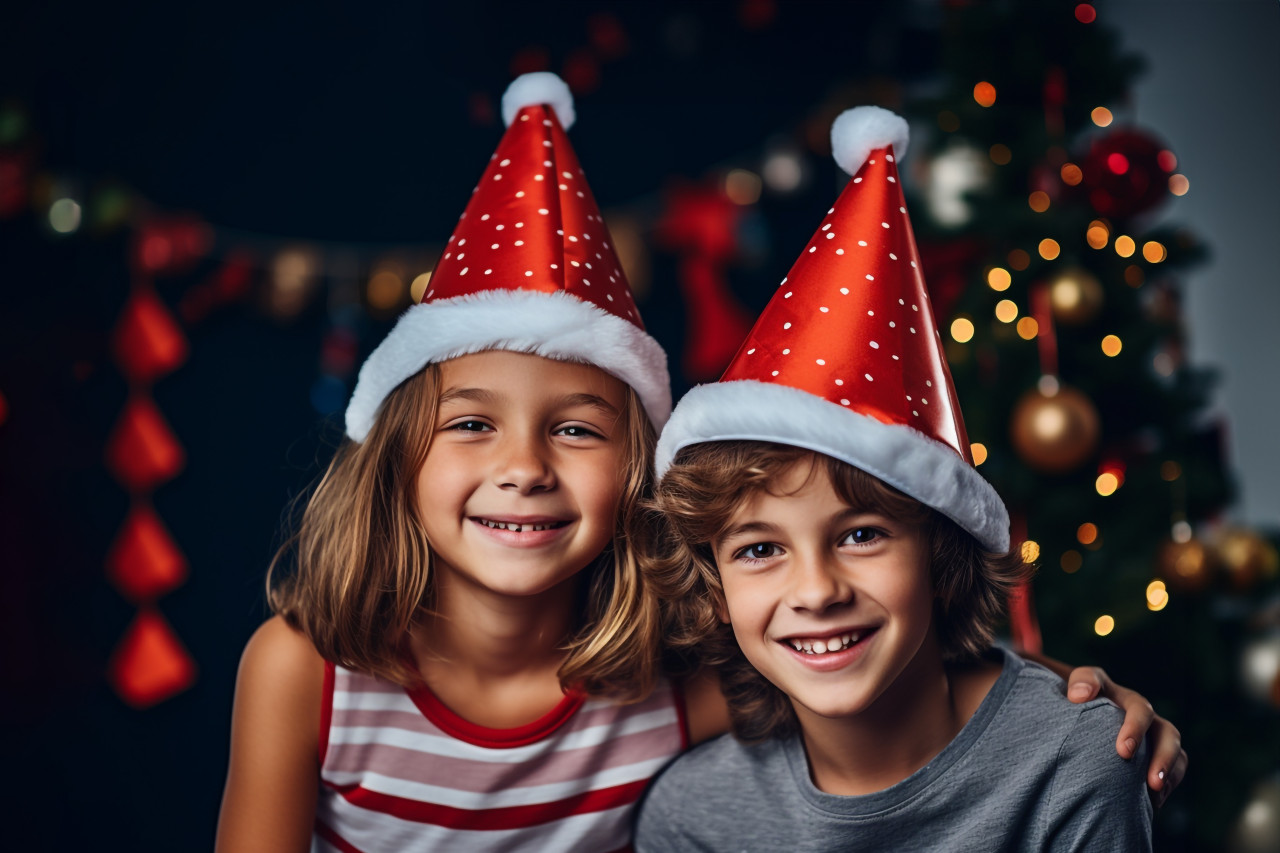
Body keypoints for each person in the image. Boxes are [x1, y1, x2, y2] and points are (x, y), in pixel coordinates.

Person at [216, 81, 1178, 852]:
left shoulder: (674, 683)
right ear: (392, 461)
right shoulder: (307, 674)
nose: (523, 468)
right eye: (472, 424)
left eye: (577, 431)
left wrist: (1071, 700)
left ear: (636, 475)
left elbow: (888, 664)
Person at [636, 107, 1156, 850]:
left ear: (941, 559)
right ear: (714, 589)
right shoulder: (695, 815)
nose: (816, 590)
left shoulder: (1072, 767)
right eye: (758, 548)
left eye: (860, 534)